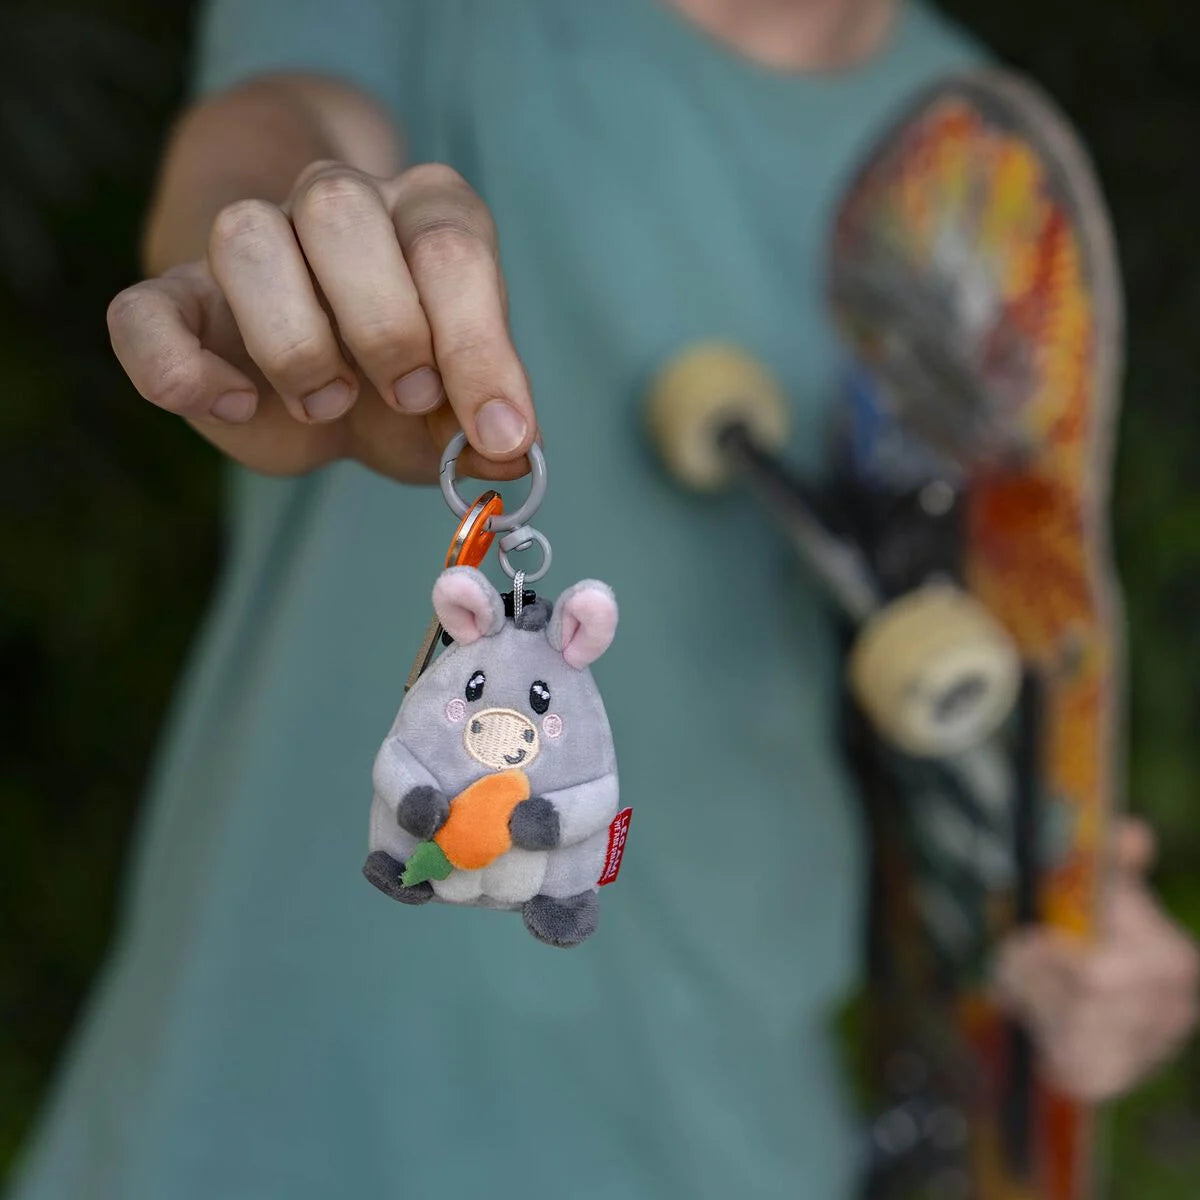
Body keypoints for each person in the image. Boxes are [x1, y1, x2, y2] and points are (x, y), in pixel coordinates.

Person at [11, 2, 1199, 1197]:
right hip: (244, 1110)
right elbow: (280, 126)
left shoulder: (978, 179)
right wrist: (275, 249)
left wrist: (1063, 941)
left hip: (711, 1126)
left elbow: (982, 657)